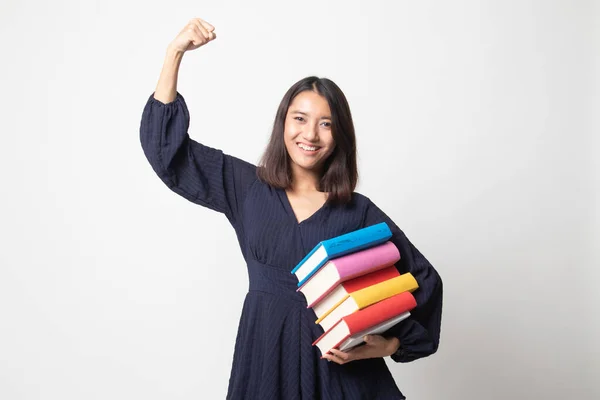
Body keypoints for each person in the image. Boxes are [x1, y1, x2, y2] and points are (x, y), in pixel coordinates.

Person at [139, 17, 443, 400]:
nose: (310, 134)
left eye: (326, 124)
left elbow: (424, 280)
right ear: (283, 122)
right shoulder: (246, 186)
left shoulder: (359, 213)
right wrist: (174, 53)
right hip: (264, 360)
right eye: (299, 119)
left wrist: (391, 344)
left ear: (340, 137)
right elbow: (168, 153)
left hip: (339, 377)